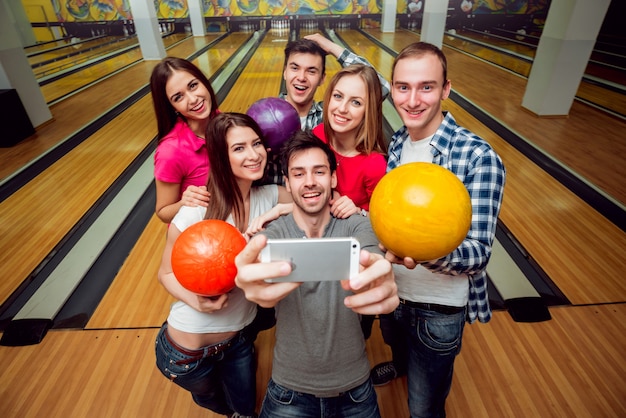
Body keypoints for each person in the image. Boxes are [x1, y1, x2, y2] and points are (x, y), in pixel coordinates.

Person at [371, 42, 506, 417]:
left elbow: (478, 252)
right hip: (394, 292)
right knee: (398, 347)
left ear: (446, 89)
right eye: (403, 87)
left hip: (439, 310)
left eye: (426, 87)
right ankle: (400, 365)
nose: (412, 100)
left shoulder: (478, 157)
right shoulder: (398, 142)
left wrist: (424, 253)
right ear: (393, 89)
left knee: (424, 407)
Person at [234, 131, 399, 418]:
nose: (309, 181)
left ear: (333, 179)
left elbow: (372, 257)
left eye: (319, 171)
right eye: (298, 174)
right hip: (288, 392)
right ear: (287, 183)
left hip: (356, 390)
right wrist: (249, 280)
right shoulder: (272, 235)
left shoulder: (357, 227)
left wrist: (378, 274)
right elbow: (256, 263)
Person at [154, 113, 293, 418]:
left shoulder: (268, 198)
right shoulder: (197, 211)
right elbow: (164, 273)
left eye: (256, 143)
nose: (253, 154)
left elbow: (314, 200)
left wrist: (285, 207)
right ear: (220, 156)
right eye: (239, 148)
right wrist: (198, 302)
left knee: (244, 409)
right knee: (213, 401)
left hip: (238, 340)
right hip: (185, 353)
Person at [263, 33, 391, 185]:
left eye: (311, 71)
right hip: (274, 202)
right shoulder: (263, 117)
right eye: (295, 68)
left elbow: (381, 87)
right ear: (285, 72)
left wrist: (333, 48)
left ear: (322, 78)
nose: (301, 77)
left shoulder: (329, 117)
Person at [311, 64, 387, 219]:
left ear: (368, 111)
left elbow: (384, 219)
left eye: (356, 102)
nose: (342, 108)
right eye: (338, 96)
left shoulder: (374, 164)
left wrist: (358, 211)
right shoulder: (318, 135)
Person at [150, 57, 219, 223]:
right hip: (197, 237)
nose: (193, 99)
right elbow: (163, 212)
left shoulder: (222, 121)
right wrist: (184, 203)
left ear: (204, 82)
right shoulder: (171, 151)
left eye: (193, 85)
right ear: (172, 107)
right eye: (178, 97)